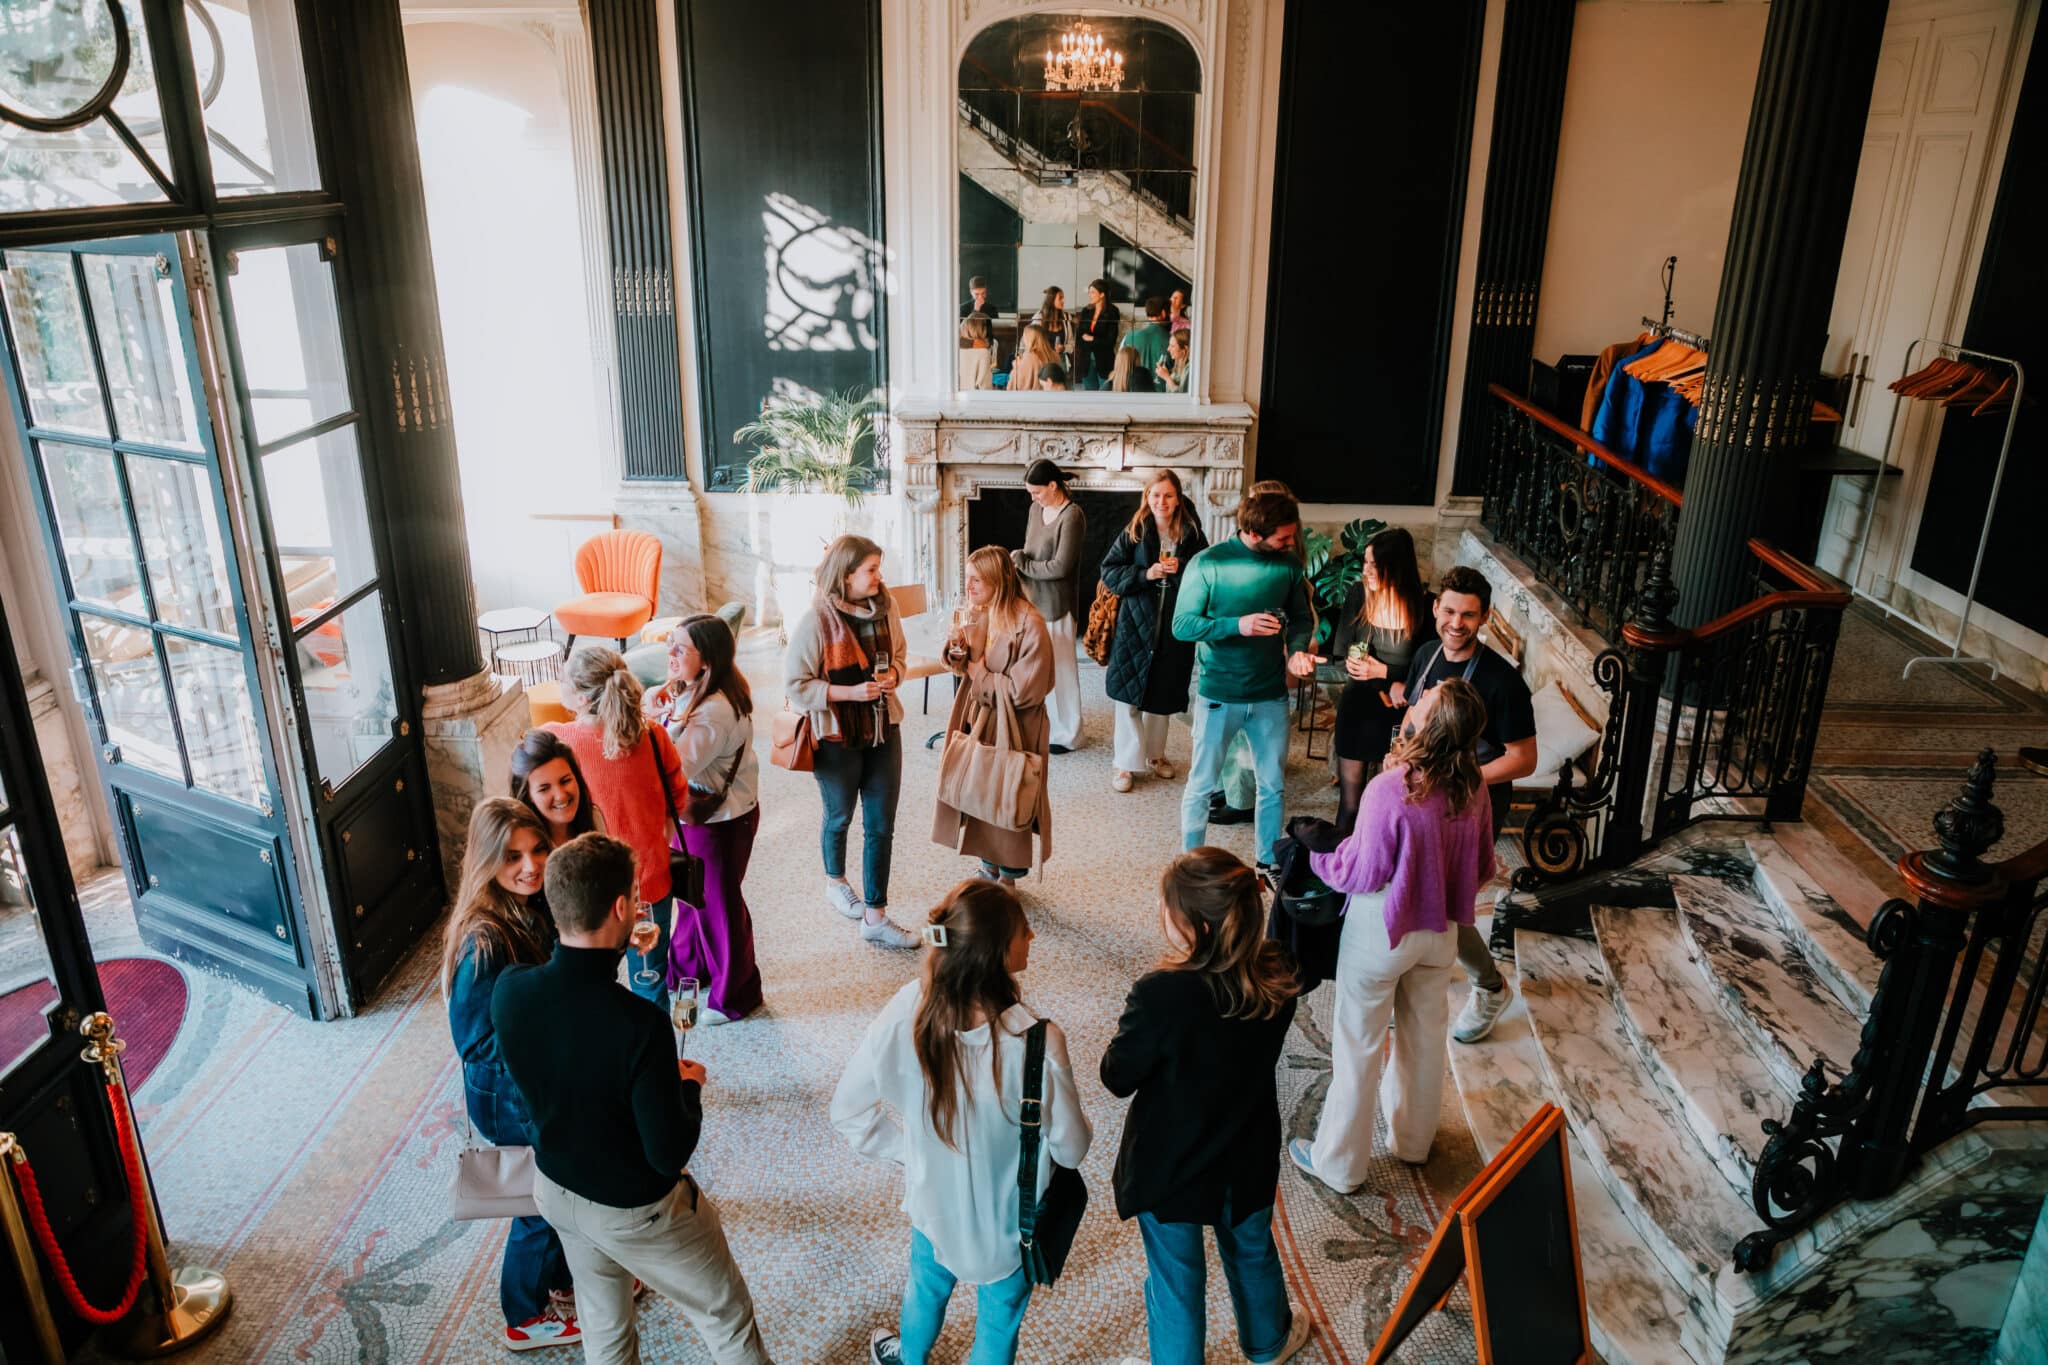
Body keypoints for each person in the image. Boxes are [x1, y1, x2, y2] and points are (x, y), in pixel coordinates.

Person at [493, 834, 771, 1364]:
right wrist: (688, 1087)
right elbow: (667, 1152)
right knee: (726, 1317)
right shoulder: (640, 1026)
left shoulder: (511, 989)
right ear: (622, 908)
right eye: (637, 897)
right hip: (633, 1210)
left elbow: (564, 1050)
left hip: (556, 1190)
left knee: (605, 1326)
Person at [832, 880, 1091, 1365]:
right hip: (1011, 1232)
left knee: (924, 1293)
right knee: (998, 1325)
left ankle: (909, 1358)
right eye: (1023, 929)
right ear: (997, 952)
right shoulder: (1037, 1041)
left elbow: (847, 1110)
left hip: (932, 1213)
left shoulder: (909, 1008)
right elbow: (1072, 1150)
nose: (1033, 935)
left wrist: (910, 1152)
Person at [1101, 848, 1311, 1365]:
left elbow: (1116, 1077)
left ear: (1198, 926)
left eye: (1167, 906)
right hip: (1246, 1148)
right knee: (1252, 1251)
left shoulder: (1161, 994)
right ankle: (1269, 1344)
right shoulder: (1278, 972)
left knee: (1177, 1282)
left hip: (1170, 1162)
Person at [1291, 679, 1496, 1189]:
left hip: (1381, 930)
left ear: (1429, 724)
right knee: (1425, 1039)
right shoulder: (1474, 787)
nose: (1419, 698)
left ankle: (1339, 1165)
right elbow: (1483, 868)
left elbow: (1360, 873)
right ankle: (1412, 1142)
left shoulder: (1391, 788)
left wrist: (1316, 856)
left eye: (1427, 699)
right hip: (1441, 930)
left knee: (1357, 1045)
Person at [442, 799, 578, 1351]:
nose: (530, 865)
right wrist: (549, 1042)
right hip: (509, 1095)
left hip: (534, 1084)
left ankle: (562, 1280)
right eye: (512, 857)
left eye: (538, 850)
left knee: (561, 1185)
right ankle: (523, 1315)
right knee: (538, 1203)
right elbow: (475, 1042)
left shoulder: (531, 903)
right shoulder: (483, 940)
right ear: (487, 860)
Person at [1399, 564, 1536, 1043]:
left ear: (1485, 618)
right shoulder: (1425, 655)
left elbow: (1524, 759)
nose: (1456, 624)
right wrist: (1399, 759)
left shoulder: (1503, 681)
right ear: (1436, 608)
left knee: (1450, 903)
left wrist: (1458, 774)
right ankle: (1418, 973)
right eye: (1450, 611)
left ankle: (1490, 987)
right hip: (1421, 798)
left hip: (1474, 805)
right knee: (1416, 888)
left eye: (1469, 615)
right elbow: (1411, 718)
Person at [1172, 489, 1320, 870]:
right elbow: (1182, 625)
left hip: (1271, 696)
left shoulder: (1289, 565)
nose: (1291, 544)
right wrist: (1238, 625)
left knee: (1272, 786)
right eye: (1283, 538)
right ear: (1254, 533)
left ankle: (1268, 862)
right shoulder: (1208, 563)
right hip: (1219, 694)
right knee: (1201, 783)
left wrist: (1297, 649)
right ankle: (1189, 863)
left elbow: (1301, 619)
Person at [784, 535, 918, 948]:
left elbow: (900, 655)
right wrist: (850, 693)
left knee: (880, 825)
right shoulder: (816, 620)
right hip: (836, 734)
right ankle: (836, 881)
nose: (879, 576)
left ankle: (875, 916)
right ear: (846, 575)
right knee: (839, 815)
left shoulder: (887, 607)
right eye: (871, 570)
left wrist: (894, 674)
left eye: (878, 568)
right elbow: (795, 686)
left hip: (884, 728)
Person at [546, 645, 693, 1012]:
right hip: (649, 883)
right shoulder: (653, 736)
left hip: (588, 890)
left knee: (591, 987)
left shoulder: (559, 742)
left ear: (582, 697)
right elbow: (679, 798)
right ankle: (658, 1048)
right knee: (650, 981)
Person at [652, 615, 762, 1025]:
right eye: (670, 642)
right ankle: (689, 969)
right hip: (704, 815)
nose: (670, 652)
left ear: (707, 660)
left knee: (719, 907)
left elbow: (674, 769)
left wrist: (652, 724)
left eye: (681, 648)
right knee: (692, 897)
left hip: (719, 822)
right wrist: (662, 707)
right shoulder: (697, 689)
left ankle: (735, 995)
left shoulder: (714, 711)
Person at [935, 547, 1054, 883]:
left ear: (998, 581)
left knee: (1007, 792)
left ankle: (1007, 878)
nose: (968, 586)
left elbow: (1024, 691)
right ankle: (987, 867)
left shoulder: (1031, 624)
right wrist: (957, 651)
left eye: (977, 579)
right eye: (967, 578)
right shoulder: (978, 612)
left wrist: (980, 675)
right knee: (979, 787)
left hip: (1017, 724)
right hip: (981, 715)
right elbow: (963, 665)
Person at [1098, 469, 1208, 793]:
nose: (1162, 501)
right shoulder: (1135, 529)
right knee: (1128, 696)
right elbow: (1109, 571)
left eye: (1168, 495)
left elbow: (1206, 572)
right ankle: (1125, 762)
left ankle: (1155, 755)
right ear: (1147, 496)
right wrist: (1146, 574)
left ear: (1178, 498)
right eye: (1156, 495)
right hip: (1135, 625)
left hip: (1174, 625)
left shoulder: (1192, 533)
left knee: (1162, 692)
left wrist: (1180, 568)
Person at [1325, 527, 1436, 833]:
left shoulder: (1427, 607)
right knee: (1350, 806)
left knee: (1390, 805)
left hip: (1402, 716)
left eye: (1375, 565)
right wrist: (1359, 668)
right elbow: (1341, 654)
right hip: (1358, 709)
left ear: (1397, 567)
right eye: (1366, 562)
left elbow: (1430, 671)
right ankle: (1343, 860)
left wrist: (1385, 674)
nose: (1366, 571)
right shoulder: (1358, 594)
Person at [1011, 459, 1086, 754]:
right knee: (1037, 668)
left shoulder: (1073, 516)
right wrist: (1021, 562)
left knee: (1062, 670)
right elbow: (1031, 550)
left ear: (1053, 486)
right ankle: (1044, 726)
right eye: (1031, 493)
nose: (1034, 498)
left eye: (1037, 492)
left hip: (1057, 604)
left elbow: (1061, 567)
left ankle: (1070, 734)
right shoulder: (1035, 509)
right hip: (1031, 599)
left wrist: (1022, 563)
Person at [511, 728, 607, 847]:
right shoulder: (524, 847)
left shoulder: (594, 817)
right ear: (528, 795)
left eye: (565, 781)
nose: (560, 796)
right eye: (544, 789)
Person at [1075, 278, 1121, 390]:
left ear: (1102, 294)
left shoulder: (1112, 312)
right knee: (1089, 395)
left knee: (1105, 394)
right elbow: (1079, 336)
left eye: (1092, 292)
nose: (1089, 295)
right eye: (1089, 292)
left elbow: (1110, 341)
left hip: (1104, 361)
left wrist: (1092, 339)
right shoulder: (1086, 311)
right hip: (1086, 361)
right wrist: (1087, 341)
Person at [1126, 296, 1172, 390]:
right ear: (1163, 313)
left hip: (1136, 392)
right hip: (1163, 394)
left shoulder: (1130, 337)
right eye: (1170, 313)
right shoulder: (1172, 340)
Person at [1031, 285, 1073, 364]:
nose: (1063, 301)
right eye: (1060, 298)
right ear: (1051, 299)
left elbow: (1071, 344)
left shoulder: (1066, 317)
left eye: (1063, 298)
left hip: (1060, 361)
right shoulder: (1039, 317)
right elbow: (1031, 342)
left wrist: (1063, 348)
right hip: (1043, 361)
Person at [1008, 323, 1055, 393]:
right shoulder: (1054, 355)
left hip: (1029, 397)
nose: (1023, 340)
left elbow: (1014, 387)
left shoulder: (1027, 359)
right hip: (1052, 397)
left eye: (1024, 337)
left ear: (1028, 339)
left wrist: (1016, 367)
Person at [958, 313, 995, 390]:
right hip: (973, 395)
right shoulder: (983, 352)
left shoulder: (957, 348)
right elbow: (984, 386)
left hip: (958, 393)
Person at [1155, 330, 1192, 394]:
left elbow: (1181, 396)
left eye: (1172, 346)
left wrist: (1167, 377)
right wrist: (1166, 374)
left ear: (1185, 349)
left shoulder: (1190, 369)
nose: (1168, 349)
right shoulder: (1178, 365)